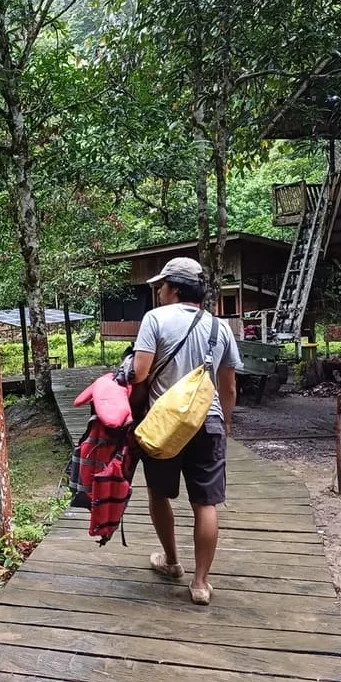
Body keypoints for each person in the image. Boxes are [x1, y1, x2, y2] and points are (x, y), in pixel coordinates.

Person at [129, 257, 242, 605]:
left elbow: (139, 373)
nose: (159, 292)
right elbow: (229, 385)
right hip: (206, 422)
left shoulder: (155, 319)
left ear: (175, 288)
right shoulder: (218, 327)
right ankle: (201, 583)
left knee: (159, 494)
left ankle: (172, 561)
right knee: (206, 503)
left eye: (162, 286)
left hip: (164, 426)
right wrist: (224, 423)